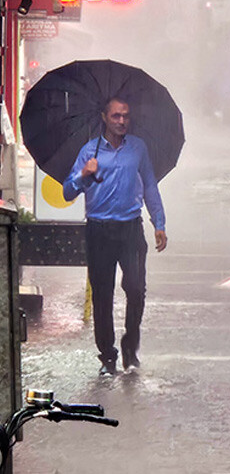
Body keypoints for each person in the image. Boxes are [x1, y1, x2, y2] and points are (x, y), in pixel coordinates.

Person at [62, 97, 167, 376]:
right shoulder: (89, 152)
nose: (122, 121)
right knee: (103, 294)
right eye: (116, 116)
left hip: (131, 229)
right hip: (98, 230)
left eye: (126, 116)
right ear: (104, 118)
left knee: (135, 289)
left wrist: (159, 222)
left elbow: (150, 185)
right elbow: (67, 192)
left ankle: (130, 345)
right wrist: (84, 174)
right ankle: (107, 355)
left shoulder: (138, 148)